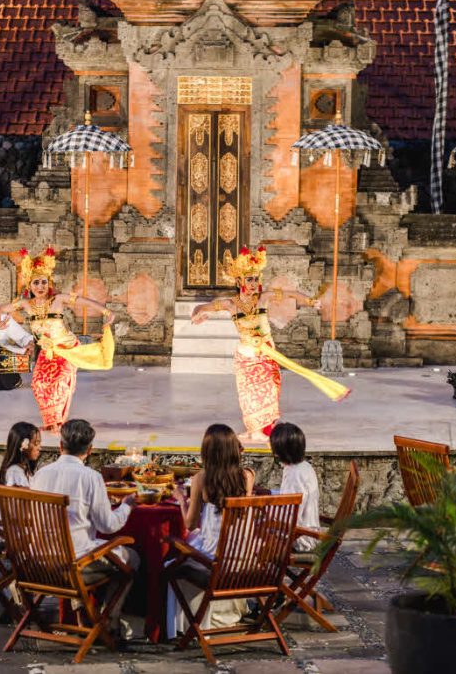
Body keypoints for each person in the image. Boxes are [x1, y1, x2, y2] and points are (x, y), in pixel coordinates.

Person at [190, 245, 349, 442]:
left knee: (269, 391)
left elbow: (291, 293)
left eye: (256, 279)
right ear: (239, 281)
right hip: (246, 357)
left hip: (266, 354)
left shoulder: (263, 298)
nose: (254, 283)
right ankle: (253, 430)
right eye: (249, 279)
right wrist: (196, 314)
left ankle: (262, 429)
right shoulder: (230, 304)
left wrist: (311, 302)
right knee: (248, 395)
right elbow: (202, 306)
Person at [30, 419, 138, 634]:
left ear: (61, 446)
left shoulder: (40, 475)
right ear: (89, 450)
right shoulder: (91, 477)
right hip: (73, 566)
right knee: (132, 558)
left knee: (79, 547)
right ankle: (109, 619)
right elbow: (108, 525)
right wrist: (126, 506)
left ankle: (84, 613)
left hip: (38, 563)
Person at [0, 247, 116, 433]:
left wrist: (106, 311)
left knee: (59, 382)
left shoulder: (58, 300)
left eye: (43, 282)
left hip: (67, 349)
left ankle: (59, 422)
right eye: (36, 283)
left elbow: (83, 301)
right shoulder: (26, 304)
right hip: (48, 352)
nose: (40, 287)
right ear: (30, 285)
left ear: (48, 283)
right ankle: (51, 421)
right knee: (38, 383)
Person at [167, 424, 255, 637]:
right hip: (244, 559)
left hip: (215, 562)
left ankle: (185, 623)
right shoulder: (247, 476)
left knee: (170, 559)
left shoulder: (202, 478)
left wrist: (181, 499)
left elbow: (190, 524)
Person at [270, 422, 320, 552]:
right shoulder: (304, 467)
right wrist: (269, 493)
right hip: (306, 532)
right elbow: (289, 499)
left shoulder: (295, 475)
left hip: (300, 538)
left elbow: (290, 517)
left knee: (253, 522)